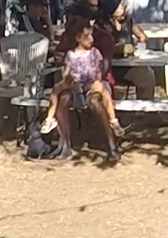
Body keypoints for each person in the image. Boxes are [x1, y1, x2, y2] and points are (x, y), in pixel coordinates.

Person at [48, 19, 121, 164]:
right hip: (77, 86)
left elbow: (99, 72)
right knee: (63, 98)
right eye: (87, 36)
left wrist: (94, 80)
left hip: (93, 85)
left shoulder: (94, 53)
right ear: (78, 38)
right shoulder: (70, 54)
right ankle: (65, 144)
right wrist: (71, 81)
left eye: (91, 35)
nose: (91, 39)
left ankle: (112, 144)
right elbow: (67, 73)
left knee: (94, 100)